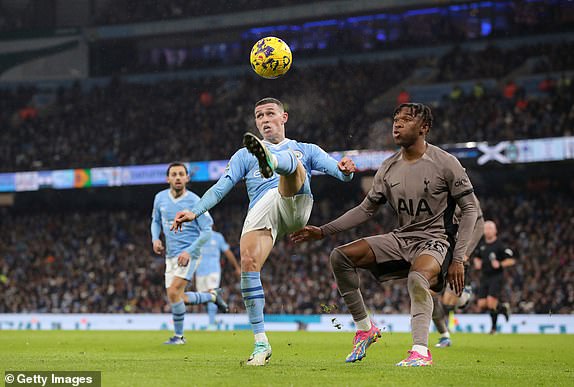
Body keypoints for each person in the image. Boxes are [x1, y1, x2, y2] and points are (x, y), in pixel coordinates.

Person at [171, 97, 356, 365]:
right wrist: (195, 211)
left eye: (270, 113)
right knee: (248, 263)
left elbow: (340, 173)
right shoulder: (244, 155)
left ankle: (274, 160)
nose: (265, 119)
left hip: (294, 203)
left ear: (284, 118)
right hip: (262, 209)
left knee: (293, 164)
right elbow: (222, 186)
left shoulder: (307, 149)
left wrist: (347, 170)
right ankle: (261, 343)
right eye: (259, 116)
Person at [291, 103, 478, 367]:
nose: (397, 124)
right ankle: (365, 328)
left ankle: (421, 352)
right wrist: (323, 231)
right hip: (402, 239)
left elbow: (469, 209)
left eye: (406, 120)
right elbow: (366, 210)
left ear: (424, 128)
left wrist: (458, 259)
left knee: (417, 278)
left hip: (436, 240)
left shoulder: (446, 163)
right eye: (395, 119)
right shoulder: (388, 168)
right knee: (341, 257)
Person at [151, 162, 229, 345]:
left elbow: (207, 230)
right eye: (174, 174)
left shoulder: (195, 201)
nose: (177, 177)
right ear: (167, 178)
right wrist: (155, 238)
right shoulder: (160, 198)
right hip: (170, 255)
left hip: (190, 254)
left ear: (187, 178)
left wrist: (189, 251)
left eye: (181, 174)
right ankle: (212, 296)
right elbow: (155, 221)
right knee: (177, 297)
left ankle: (179, 337)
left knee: (173, 292)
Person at [432, 197, 484, 348]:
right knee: (429, 292)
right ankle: (444, 335)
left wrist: (465, 253)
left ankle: (463, 298)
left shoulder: (467, 194)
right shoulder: (435, 189)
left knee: (450, 301)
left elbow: (479, 226)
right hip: (439, 248)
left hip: (459, 254)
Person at [473, 220, 516, 334]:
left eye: (490, 228)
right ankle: (502, 308)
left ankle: (493, 328)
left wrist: (500, 264)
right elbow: (477, 257)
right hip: (484, 276)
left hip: (496, 276)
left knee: (491, 302)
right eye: (486, 228)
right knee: (481, 304)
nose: (487, 231)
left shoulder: (500, 245)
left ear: (495, 230)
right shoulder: (481, 245)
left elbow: (511, 260)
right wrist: (477, 262)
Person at [195, 225, 241, 330]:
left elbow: (227, 252)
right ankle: (214, 316)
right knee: (203, 298)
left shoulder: (217, 237)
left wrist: (236, 267)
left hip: (213, 271)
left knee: (212, 295)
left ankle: (211, 324)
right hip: (200, 272)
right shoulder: (197, 237)